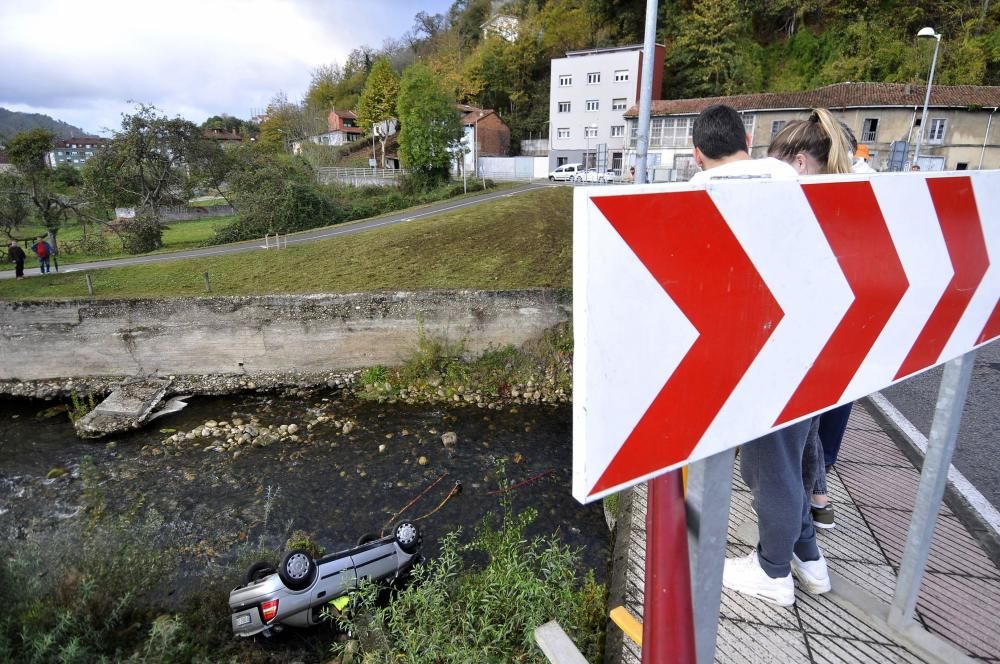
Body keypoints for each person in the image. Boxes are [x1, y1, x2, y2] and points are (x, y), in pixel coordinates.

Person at [687, 105, 822, 607]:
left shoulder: (699, 194)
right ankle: (809, 558)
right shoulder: (792, 179)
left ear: (697, 154)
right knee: (800, 456)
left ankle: (773, 573)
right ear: (747, 136)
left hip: (759, 359)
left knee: (772, 468)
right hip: (811, 344)